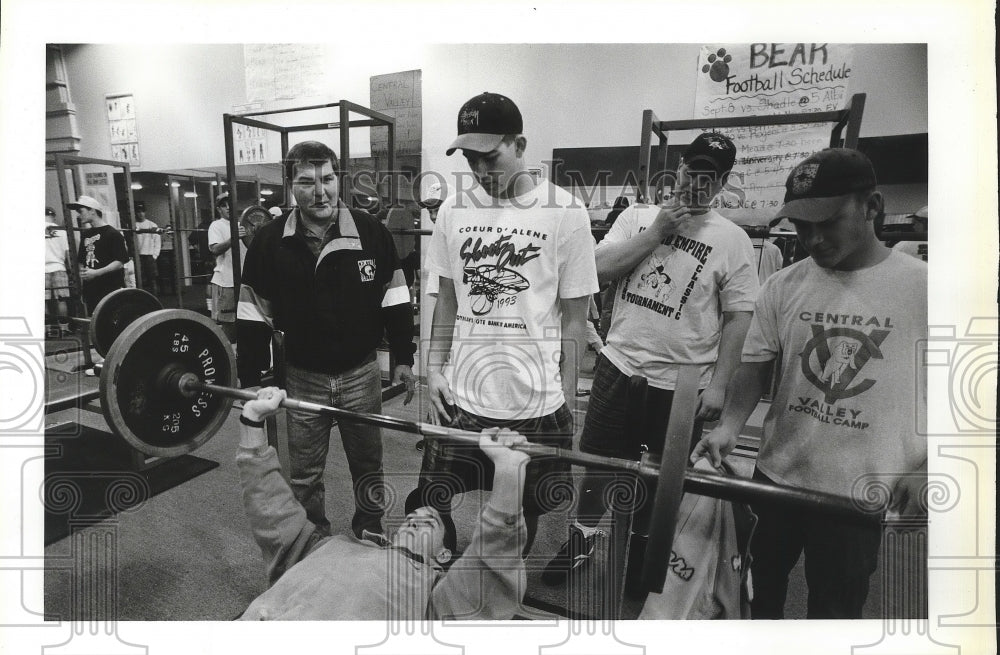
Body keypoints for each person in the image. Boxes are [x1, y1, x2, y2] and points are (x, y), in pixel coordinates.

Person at [690, 148, 928, 619]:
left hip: (860, 491)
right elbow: (755, 364)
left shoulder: (926, 288)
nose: (813, 237)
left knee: (834, 610)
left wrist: (930, 463)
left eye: (829, 221)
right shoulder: (783, 284)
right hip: (777, 476)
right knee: (755, 594)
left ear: (872, 207)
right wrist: (731, 426)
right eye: (801, 224)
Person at [543, 132, 759, 584]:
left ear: (721, 183)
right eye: (690, 171)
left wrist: (719, 384)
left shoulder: (732, 239)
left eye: (708, 177)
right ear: (677, 168)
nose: (695, 184)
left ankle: (646, 547)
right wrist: (658, 231)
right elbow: (595, 271)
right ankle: (582, 538)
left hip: (683, 384)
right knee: (600, 463)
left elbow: (739, 317)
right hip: (620, 366)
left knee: (664, 475)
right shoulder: (637, 216)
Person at [412, 92, 599, 555]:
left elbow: (576, 320)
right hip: (463, 395)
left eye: (489, 156)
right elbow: (448, 301)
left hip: (534, 404)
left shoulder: (566, 211)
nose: (479, 169)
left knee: (520, 514)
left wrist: (569, 399)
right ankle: (443, 573)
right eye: (470, 158)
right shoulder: (454, 210)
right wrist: (433, 370)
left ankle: (500, 589)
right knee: (435, 501)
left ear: (520, 144)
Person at [238, 140, 417, 541]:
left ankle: (369, 530)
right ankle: (312, 541)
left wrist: (404, 357)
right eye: (306, 182)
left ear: (339, 180)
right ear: (290, 187)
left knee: (368, 465)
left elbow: (396, 298)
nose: (320, 192)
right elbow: (252, 314)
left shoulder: (371, 234)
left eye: (328, 179)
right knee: (303, 474)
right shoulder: (268, 242)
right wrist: (251, 377)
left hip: (361, 374)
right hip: (302, 377)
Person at [235, 387, 529, 620]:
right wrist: (252, 419)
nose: (415, 517)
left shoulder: (431, 598)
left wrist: (507, 471)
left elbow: (488, 574)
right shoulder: (326, 547)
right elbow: (272, 511)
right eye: (412, 517)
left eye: (431, 522)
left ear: (442, 555)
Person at [69, 195, 128, 312]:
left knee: (112, 322)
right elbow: (82, 260)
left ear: (92, 211)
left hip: (109, 288)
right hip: (91, 289)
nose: (79, 215)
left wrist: (96, 273)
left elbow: (119, 262)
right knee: (95, 323)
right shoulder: (86, 234)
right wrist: (82, 284)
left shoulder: (113, 234)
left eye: (81, 211)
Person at [208, 191, 246, 342]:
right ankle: (227, 357)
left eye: (230, 204)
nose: (228, 208)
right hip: (226, 281)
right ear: (219, 209)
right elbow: (214, 249)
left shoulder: (241, 225)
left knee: (244, 320)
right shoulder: (216, 225)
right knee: (228, 323)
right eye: (224, 206)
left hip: (242, 282)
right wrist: (234, 238)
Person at [44, 206, 72, 336]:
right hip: (59, 267)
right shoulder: (61, 231)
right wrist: (70, 270)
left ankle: (47, 330)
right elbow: (67, 253)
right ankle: (64, 328)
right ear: (53, 216)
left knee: (44, 301)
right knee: (61, 300)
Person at [132, 201, 161, 295]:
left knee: (152, 280)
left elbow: (157, 242)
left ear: (145, 212)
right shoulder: (134, 225)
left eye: (142, 211)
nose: (140, 214)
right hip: (138, 256)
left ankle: (155, 301)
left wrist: (154, 256)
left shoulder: (152, 225)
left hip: (149, 256)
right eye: (138, 211)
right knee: (139, 280)